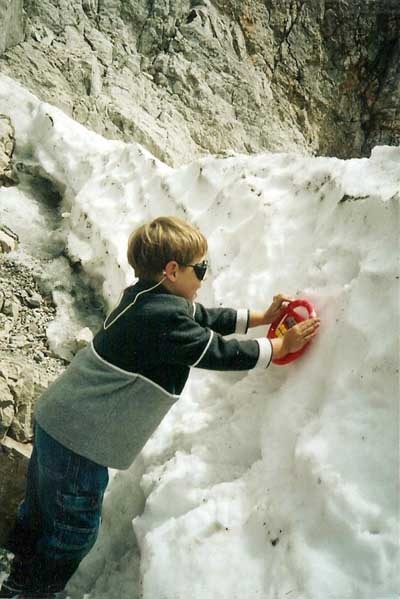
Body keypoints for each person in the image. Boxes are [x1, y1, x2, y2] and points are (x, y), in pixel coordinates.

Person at [0, 216, 320, 598]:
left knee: (40, 508)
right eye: (200, 268)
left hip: (61, 423)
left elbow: (201, 318)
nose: (203, 276)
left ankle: (18, 573)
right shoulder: (163, 318)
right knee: (73, 531)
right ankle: (32, 592)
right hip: (79, 443)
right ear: (172, 271)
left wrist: (259, 318)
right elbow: (212, 350)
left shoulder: (148, 298)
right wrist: (279, 348)